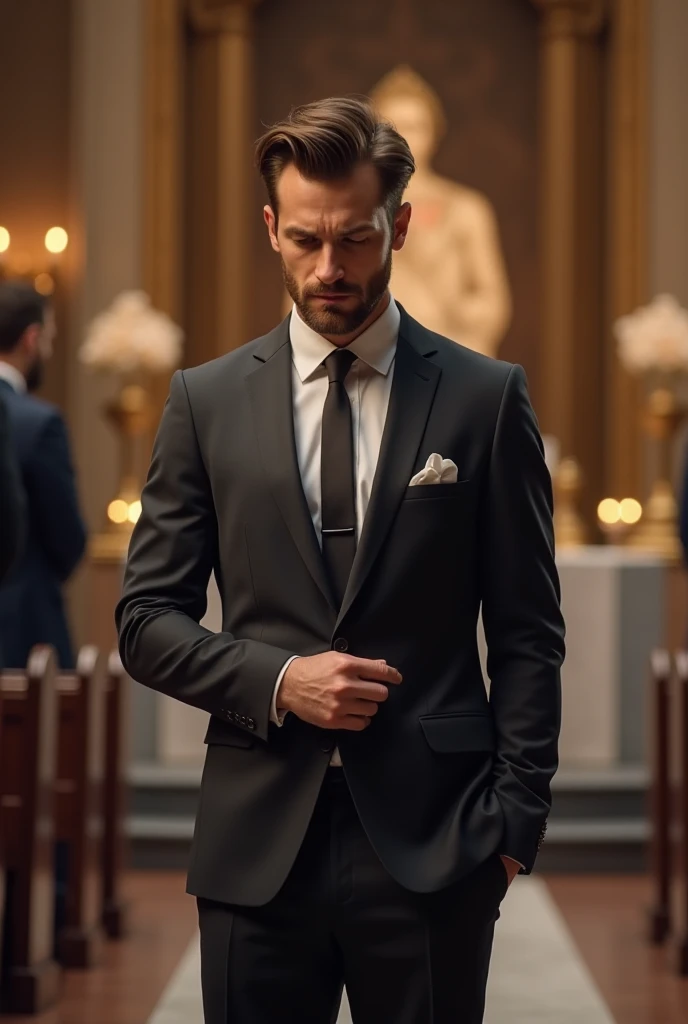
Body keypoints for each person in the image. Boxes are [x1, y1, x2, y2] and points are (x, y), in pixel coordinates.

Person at [117, 97, 565, 1024]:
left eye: (357, 239)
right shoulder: (204, 403)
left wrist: (512, 826)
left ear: (397, 224)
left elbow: (528, 633)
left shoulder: (485, 400)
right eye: (308, 240)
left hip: (439, 841)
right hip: (255, 842)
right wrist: (280, 679)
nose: (331, 268)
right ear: (272, 227)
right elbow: (145, 621)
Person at [0, 282, 87, 669]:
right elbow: (66, 538)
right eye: (49, 338)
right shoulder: (38, 423)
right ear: (31, 339)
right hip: (23, 631)